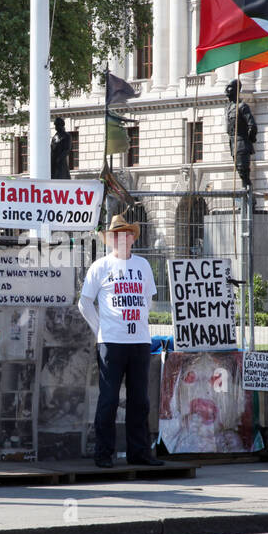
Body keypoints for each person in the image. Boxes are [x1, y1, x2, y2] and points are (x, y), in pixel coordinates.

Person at [78, 213, 161, 467]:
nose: (122, 238)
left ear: (133, 238)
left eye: (126, 234)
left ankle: (140, 453)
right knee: (109, 399)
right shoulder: (100, 266)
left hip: (139, 341)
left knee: (140, 400)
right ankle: (104, 454)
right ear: (110, 239)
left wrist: (137, 323)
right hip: (111, 343)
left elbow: (148, 300)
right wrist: (100, 329)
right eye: (117, 235)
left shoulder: (143, 266)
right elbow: (84, 303)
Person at [224, 79, 257, 188]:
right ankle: (245, 199)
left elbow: (252, 126)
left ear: (235, 90)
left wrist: (247, 141)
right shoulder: (228, 108)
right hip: (233, 143)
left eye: (229, 88)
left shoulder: (242, 106)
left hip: (241, 143)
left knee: (244, 172)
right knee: (240, 171)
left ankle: (249, 200)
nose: (226, 91)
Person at [50, 116, 72, 181]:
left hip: (61, 163)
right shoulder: (54, 137)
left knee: (62, 179)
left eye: (57, 125)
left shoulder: (67, 136)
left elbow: (67, 149)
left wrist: (59, 158)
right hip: (53, 164)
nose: (56, 127)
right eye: (55, 125)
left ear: (61, 125)